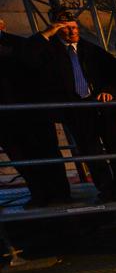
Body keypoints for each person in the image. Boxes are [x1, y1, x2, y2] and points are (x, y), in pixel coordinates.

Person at [31, 9, 116, 203]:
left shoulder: (91, 50)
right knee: (91, 153)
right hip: (76, 110)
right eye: (67, 28)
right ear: (56, 29)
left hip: (102, 106)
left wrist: (110, 91)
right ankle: (106, 190)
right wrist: (46, 34)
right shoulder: (49, 52)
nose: (72, 32)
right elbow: (27, 57)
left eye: (75, 27)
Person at [0, 17, 71, 207]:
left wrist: (44, 36)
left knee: (46, 152)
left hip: (32, 111)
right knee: (20, 157)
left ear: (2, 24)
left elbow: (33, 63)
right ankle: (38, 193)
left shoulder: (19, 44)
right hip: (5, 118)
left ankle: (60, 194)